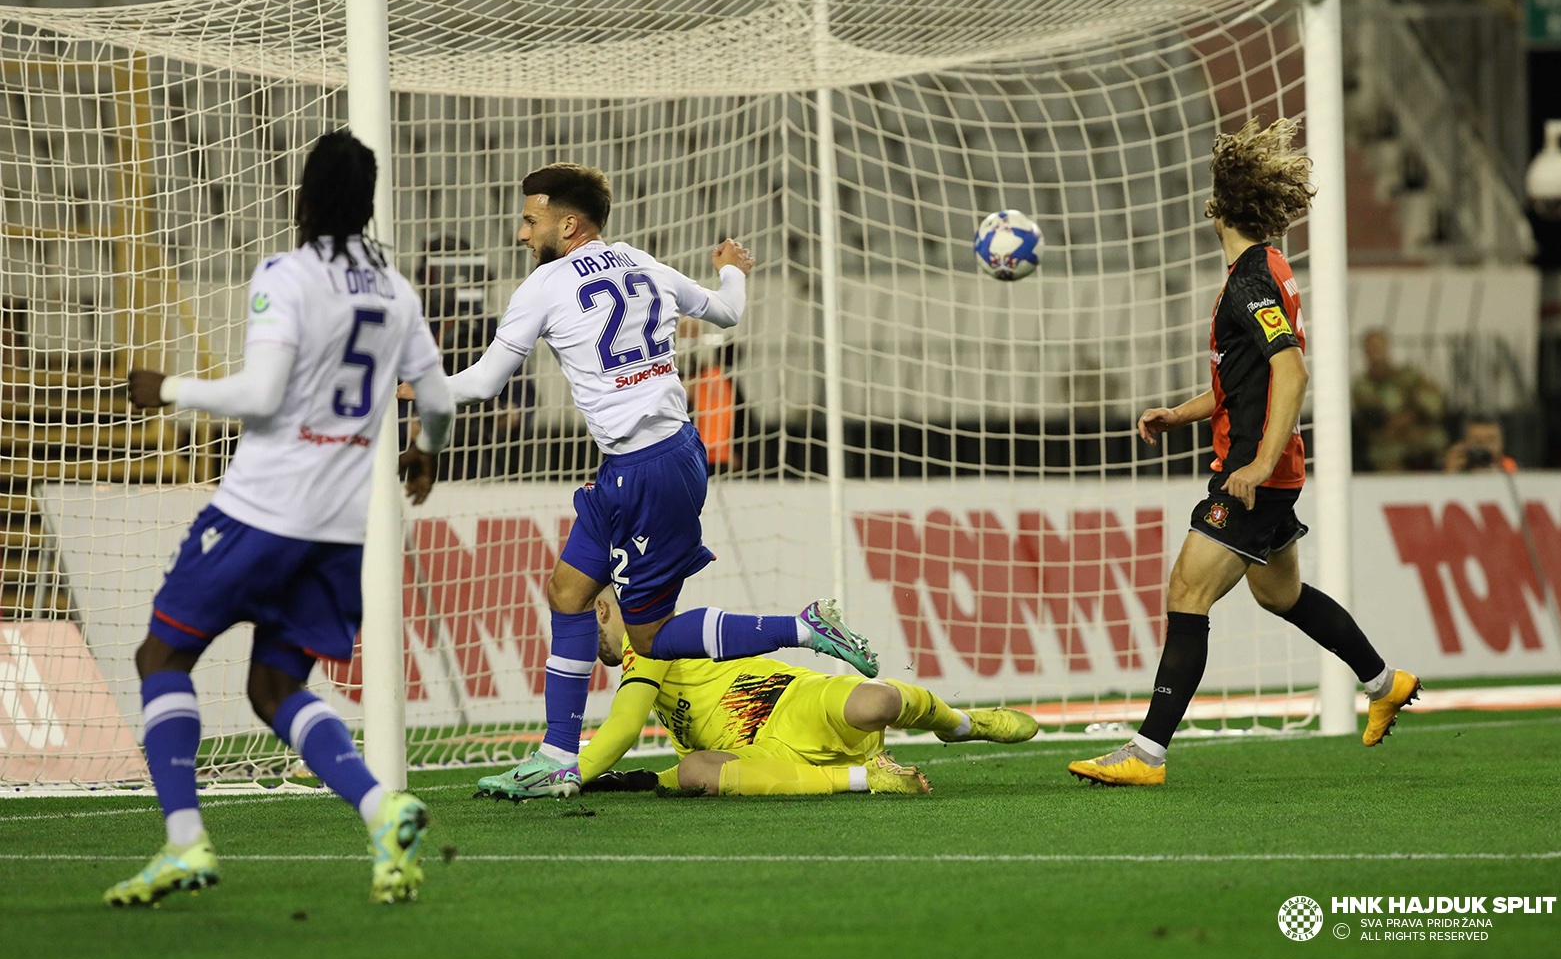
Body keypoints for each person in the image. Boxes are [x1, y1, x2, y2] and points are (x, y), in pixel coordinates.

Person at [431, 163, 878, 801]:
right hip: (654, 459)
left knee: (648, 637)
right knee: (566, 591)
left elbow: (480, 383)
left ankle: (806, 626)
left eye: (530, 220)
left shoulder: (545, 285)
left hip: (646, 470)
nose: (521, 234)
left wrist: (417, 389)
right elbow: (724, 313)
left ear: (568, 222)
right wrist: (733, 269)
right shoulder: (639, 261)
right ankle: (558, 754)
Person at [106, 131, 456, 907]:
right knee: (275, 685)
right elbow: (435, 398)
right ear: (366, 206)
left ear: (303, 197)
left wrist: (168, 389)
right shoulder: (397, 291)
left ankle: (184, 841)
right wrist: (427, 451)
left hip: (260, 511)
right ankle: (382, 808)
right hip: (339, 530)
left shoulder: (287, 275)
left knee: (160, 659)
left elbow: (262, 396)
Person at [1068, 118, 1421, 788]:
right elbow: (1244, 380)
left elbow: (1290, 370)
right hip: (1274, 469)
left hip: (1255, 475)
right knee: (1278, 593)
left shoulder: (1248, 282)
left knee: (1186, 589)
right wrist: (1183, 412)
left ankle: (1146, 753)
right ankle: (1383, 680)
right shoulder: (1268, 269)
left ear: (1219, 206)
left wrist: (1255, 465)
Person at [480, 592, 1038, 798]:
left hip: (792, 705)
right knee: (695, 772)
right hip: (758, 756)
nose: (587, 645)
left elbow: (622, 732)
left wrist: (566, 772)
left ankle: (961, 722)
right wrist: (635, 779)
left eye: (587, 628)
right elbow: (648, 750)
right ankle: (869, 777)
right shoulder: (642, 657)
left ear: (602, 609)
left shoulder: (648, 643)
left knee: (877, 704)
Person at [414, 235, 535, 479]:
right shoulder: (414, 326)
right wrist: (407, 422)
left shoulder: (487, 326)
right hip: (423, 447)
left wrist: (514, 410)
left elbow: (522, 388)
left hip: (480, 444)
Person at [1350, 328, 1448, 471]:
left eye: (1379, 347)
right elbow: (1374, 414)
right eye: (1371, 348)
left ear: (1387, 349)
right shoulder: (1362, 385)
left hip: (1421, 434)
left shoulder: (1410, 375)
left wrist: (1413, 414)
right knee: (1386, 456)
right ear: (1365, 353)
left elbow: (1434, 403)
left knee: (1439, 445)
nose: (1376, 353)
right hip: (1386, 441)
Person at [679, 315, 746, 474]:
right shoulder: (687, 379)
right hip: (693, 455)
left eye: (695, 331)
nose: (691, 337)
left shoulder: (721, 379)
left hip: (718, 457)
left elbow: (741, 416)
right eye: (686, 332)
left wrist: (738, 452)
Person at [1443, 413, 1518, 473]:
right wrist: (1450, 475)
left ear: (1501, 443)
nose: (1485, 447)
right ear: (1464, 444)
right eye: (1478, 442)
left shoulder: (1512, 469)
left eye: (1490, 440)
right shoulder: (1458, 468)